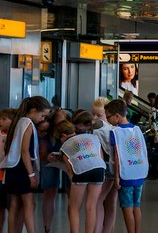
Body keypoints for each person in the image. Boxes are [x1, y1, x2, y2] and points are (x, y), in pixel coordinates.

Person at [2, 96, 50, 233]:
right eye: (42, 115)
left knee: (15, 204)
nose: (42, 119)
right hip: (22, 168)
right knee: (29, 204)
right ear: (33, 111)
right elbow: (25, 151)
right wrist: (31, 174)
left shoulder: (19, 121)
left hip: (12, 168)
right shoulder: (27, 123)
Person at [105, 99, 148, 233]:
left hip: (126, 174)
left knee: (127, 207)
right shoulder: (137, 129)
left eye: (108, 117)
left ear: (117, 116)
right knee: (136, 206)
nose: (107, 120)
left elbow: (117, 156)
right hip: (139, 172)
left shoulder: (115, 132)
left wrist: (117, 177)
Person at [60, 113, 106, 233]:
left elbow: (70, 168)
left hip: (81, 171)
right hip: (99, 168)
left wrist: (72, 179)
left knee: (74, 208)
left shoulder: (65, 146)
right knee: (91, 207)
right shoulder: (93, 138)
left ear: (63, 136)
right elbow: (100, 156)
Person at [90, 98, 117, 233]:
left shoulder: (97, 129)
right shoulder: (115, 129)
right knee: (111, 202)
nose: (95, 118)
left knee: (98, 200)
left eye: (99, 115)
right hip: (116, 168)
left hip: (105, 167)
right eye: (93, 114)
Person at [0, 108, 15, 230]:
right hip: (0, 176)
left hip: (10, 176)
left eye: (4, 119)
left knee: (12, 207)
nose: (1, 121)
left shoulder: (16, 136)